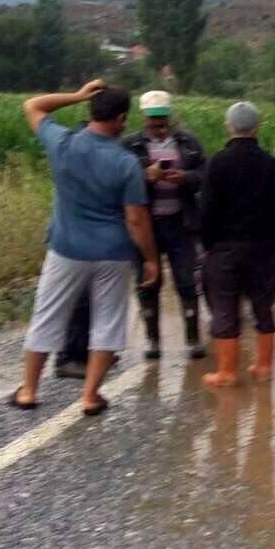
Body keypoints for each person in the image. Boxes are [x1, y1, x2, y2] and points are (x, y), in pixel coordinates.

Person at [10, 81, 158, 416]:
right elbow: (136, 219)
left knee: (47, 316)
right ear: (121, 118)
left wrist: (77, 95)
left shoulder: (63, 142)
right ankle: (90, 396)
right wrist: (150, 259)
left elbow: (33, 104)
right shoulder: (126, 163)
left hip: (66, 249)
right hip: (112, 253)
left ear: (91, 110)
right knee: (108, 322)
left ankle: (29, 391)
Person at [200, 102, 275, 387]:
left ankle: (227, 372)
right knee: (263, 306)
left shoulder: (217, 163)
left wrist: (210, 245)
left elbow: (207, 210)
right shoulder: (273, 165)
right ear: (257, 127)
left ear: (229, 126)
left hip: (225, 248)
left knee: (225, 308)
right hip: (264, 248)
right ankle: (263, 367)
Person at [122, 91, 207, 360]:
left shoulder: (188, 142)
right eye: (153, 122)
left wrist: (186, 177)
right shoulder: (129, 146)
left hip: (180, 221)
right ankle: (152, 340)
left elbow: (206, 174)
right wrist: (145, 176)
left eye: (163, 122)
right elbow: (118, 179)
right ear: (144, 119)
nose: (159, 128)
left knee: (186, 281)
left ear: (169, 117)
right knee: (148, 282)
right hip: (146, 225)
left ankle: (193, 340)